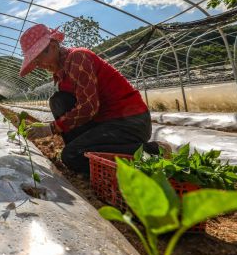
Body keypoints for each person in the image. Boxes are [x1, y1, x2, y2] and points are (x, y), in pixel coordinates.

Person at [18, 24, 164, 174]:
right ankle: (81, 150)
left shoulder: (78, 57)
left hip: (129, 122)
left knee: (71, 156)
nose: (40, 65)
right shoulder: (61, 75)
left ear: (53, 46)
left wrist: (52, 128)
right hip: (105, 122)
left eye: (40, 58)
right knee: (58, 101)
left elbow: (88, 107)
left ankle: (152, 151)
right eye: (35, 62)